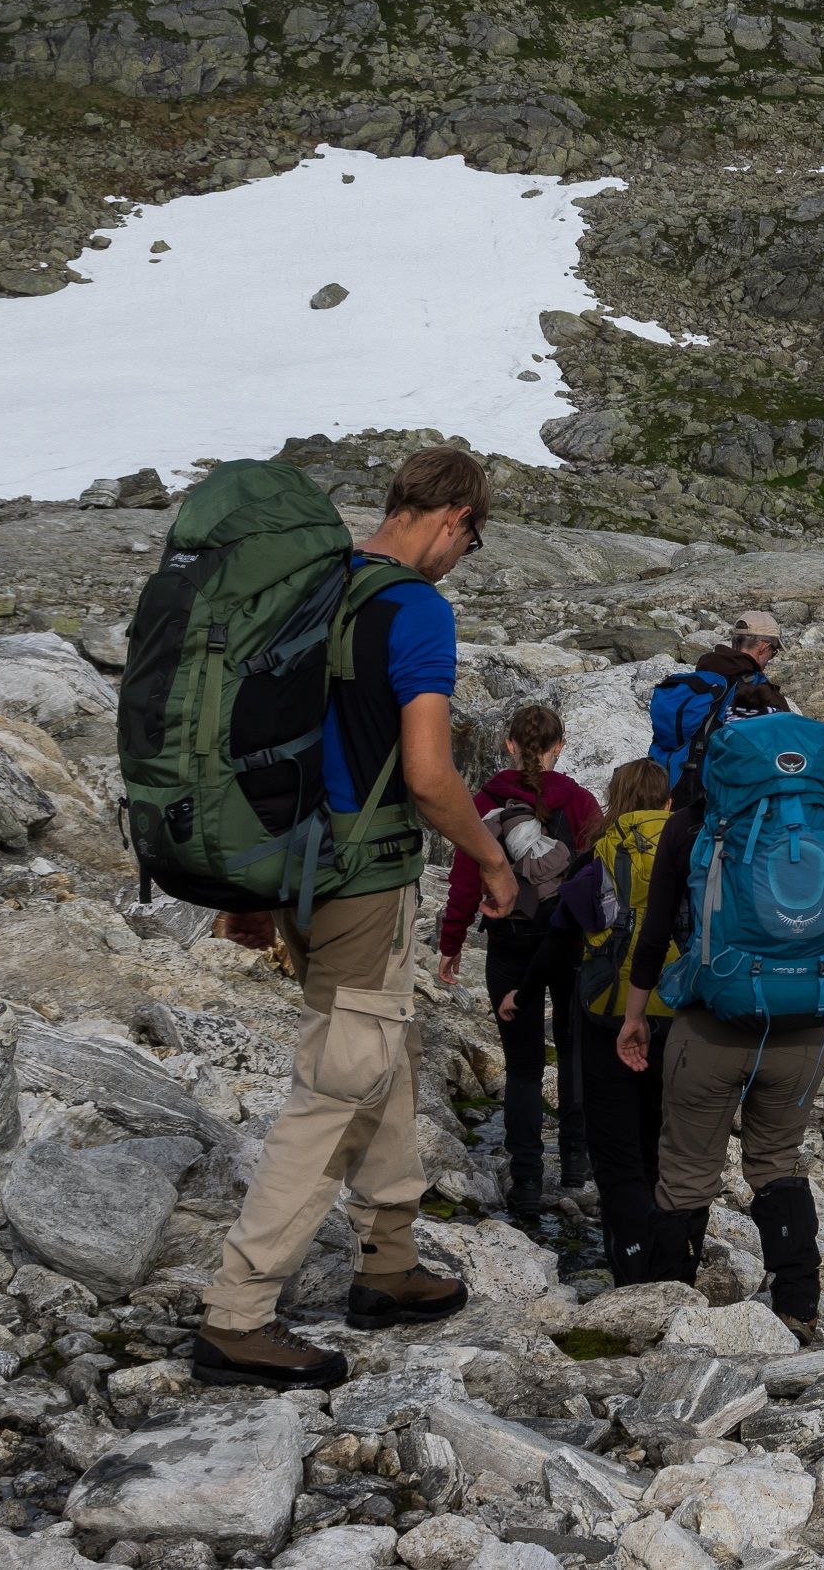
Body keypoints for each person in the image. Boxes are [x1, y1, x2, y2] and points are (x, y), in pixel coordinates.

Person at [194, 446, 513, 1390]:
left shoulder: (307, 587)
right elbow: (426, 776)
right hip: (365, 879)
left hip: (289, 868)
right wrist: (489, 858)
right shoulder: (415, 608)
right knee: (342, 1076)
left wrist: (250, 892)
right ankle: (238, 1314)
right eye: (473, 538)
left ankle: (390, 1262)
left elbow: (253, 740)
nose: (463, 556)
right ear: (453, 517)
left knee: (386, 1049)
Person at [616, 696, 824, 1328]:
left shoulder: (691, 827)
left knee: (688, 1174)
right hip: (806, 1024)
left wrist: (636, 1017)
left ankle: (668, 1313)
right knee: (778, 1163)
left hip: (713, 1023)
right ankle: (798, 1306)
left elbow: (654, 930)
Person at [492, 758, 674, 1283]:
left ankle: (631, 1268)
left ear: (614, 802)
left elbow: (557, 940)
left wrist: (522, 996)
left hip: (606, 1020)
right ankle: (671, 1267)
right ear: (667, 804)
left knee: (617, 1154)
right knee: (662, 1145)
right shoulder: (694, 852)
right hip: (680, 1020)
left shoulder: (597, 857)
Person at [437, 702, 602, 1220]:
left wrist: (452, 940)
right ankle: (576, 1163)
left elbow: (466, 877)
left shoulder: (484, 800)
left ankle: (527, 1180)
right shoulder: (577, 800)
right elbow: (597, 871)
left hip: (509, 939)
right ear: (560, 747)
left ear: (508, 744)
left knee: (525, 1065)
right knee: (575, 1048)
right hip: (570, 940)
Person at [648, 611, 792, 794]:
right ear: (764, 647)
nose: (770, 659)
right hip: (713, 800)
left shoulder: (698, 681)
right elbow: (783, 751)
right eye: (773, 652)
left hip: (665, 790)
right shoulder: (759, 691)